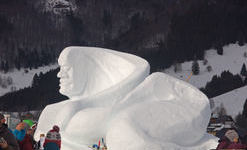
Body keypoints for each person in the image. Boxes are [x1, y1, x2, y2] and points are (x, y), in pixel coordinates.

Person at [34, 47, 218, 150]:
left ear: (86, 70)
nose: (60, 75)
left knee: (122, 132)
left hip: (186, 107)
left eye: (66, 69)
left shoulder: (127, 112)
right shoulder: (54, 111)